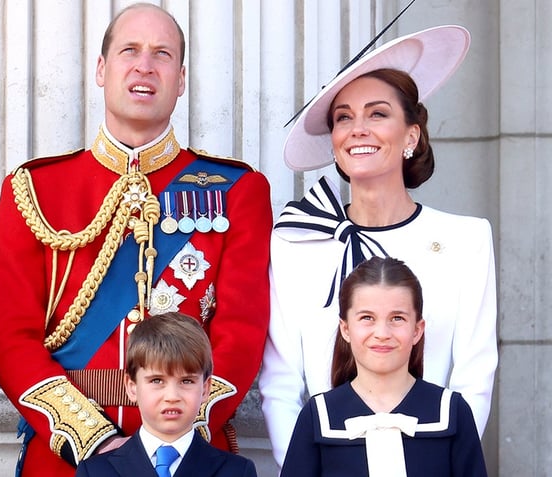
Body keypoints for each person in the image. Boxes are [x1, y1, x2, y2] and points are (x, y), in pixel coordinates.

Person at [0, 3, 272, 476]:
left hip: (190, 456)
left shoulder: (237, 191)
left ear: (180, 79)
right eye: (129, 51)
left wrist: (177, 439)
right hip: (66, 460)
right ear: (102, 69)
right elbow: (11, 337)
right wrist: (90, 439)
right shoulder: (33, 189)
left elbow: (240, 334)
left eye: (162, 54)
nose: (144, 65)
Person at [259, 25, 497, 468]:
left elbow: (474, 378)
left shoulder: (468, 240)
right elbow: (280, 386)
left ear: (411, 135)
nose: (358, 129)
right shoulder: (294, 244)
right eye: (344, 117)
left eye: (378, 114)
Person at [281, 256, 487, 476]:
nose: (382, 333)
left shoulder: (452, 412)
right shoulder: (318, 416)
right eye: (367, 317)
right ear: (346, 329)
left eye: (397, 318)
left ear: (417, 330)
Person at [75, 312, 258, 476]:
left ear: (205, 388)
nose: (172, 396)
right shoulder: (95, 472)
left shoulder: (237, 471)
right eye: (157, 381)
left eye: (186, 381)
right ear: (132, 387)